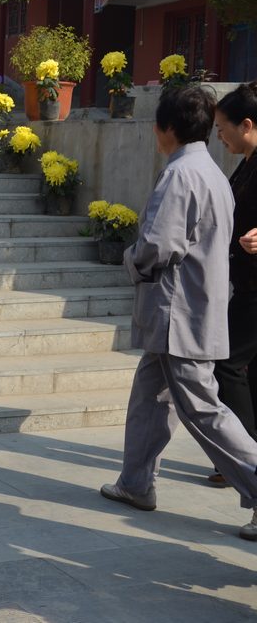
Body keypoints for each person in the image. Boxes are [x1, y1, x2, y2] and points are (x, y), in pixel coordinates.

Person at [99, 84, 257, 543]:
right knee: (151, 394)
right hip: (194, 307)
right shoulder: (212, 171)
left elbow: (159, 246)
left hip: (178, 312)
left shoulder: (180, 175)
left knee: (203, 409)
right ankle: (135, 482)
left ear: (164, 128)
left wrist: (131, 260)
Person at [208, 82, 257, 485]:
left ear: (247, 124)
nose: (219, 137)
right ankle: (240, 457)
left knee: (226, 364)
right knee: (246, 370)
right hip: (245, 280)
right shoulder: (248, 160)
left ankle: (246, 460)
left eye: (223, 128)